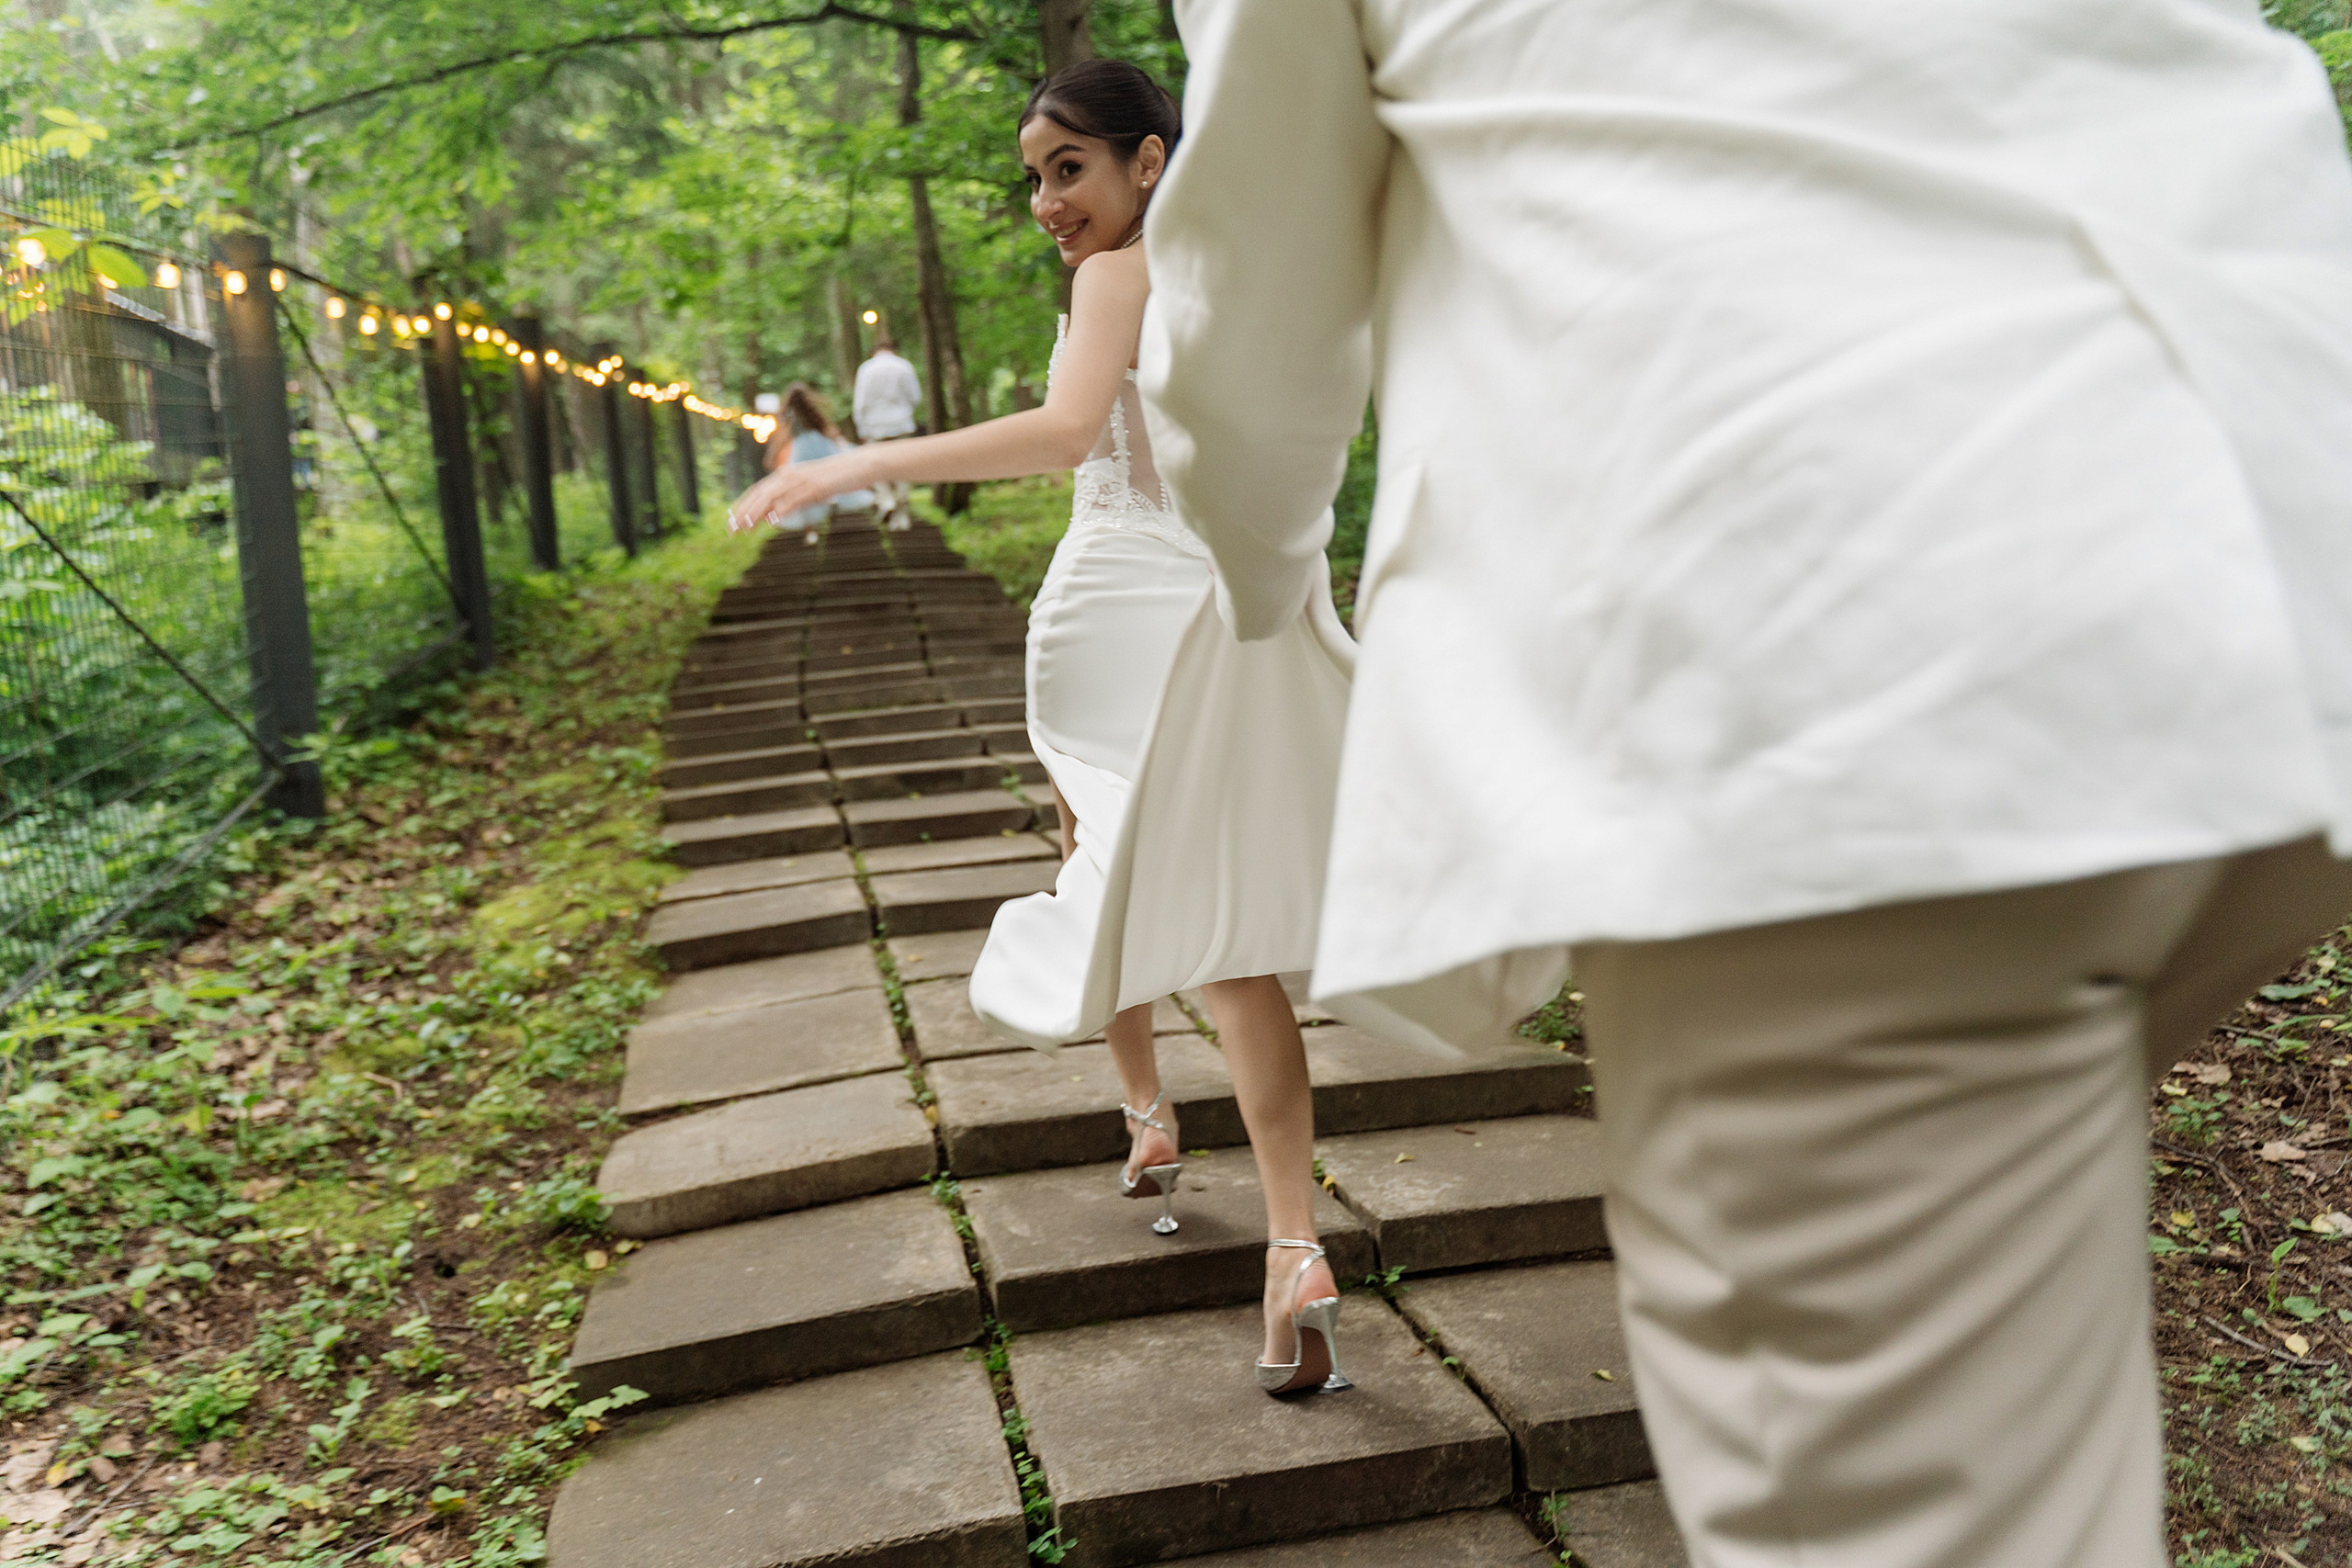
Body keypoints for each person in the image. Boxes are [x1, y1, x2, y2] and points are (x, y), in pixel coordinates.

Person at [1142, 2, 2352, 1562]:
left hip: (1838, 647)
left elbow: (1249, 300)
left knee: (1894, 1505)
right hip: (2286, 505)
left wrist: (1263, 591)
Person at [729, 59, 1360, 1396]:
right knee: (1206, 914)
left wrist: (853, 461)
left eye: (1066, 168)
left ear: (1148, 157)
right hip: (1217, 611)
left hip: (1124, 616)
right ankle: (1282, 1230)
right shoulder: (1247, 274)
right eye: (1032, 177)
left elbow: (1072, 430)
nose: (1045, 202)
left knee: (1120, 872)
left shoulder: (1119, 277)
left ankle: (1155, 1121)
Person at [764, 384, 870, 543]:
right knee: (830, 478)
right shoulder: (811, 411)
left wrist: (773, 454)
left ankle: (811, 529)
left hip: (801, 452)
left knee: (800, 488)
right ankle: (831, 508)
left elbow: (783, 435)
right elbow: (826, 428)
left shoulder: (788, 415)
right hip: (819, 445)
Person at [852, 333, 922, 530]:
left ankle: (887, 500)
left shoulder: (866, 369)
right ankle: (902, 514)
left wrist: (861, 428)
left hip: (875, 426)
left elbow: (860, 403)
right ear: (893, 349)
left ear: (874, 350)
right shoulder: (904, 366)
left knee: (877, 466)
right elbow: (915, 397)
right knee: (903, 467)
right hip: (901, 423)